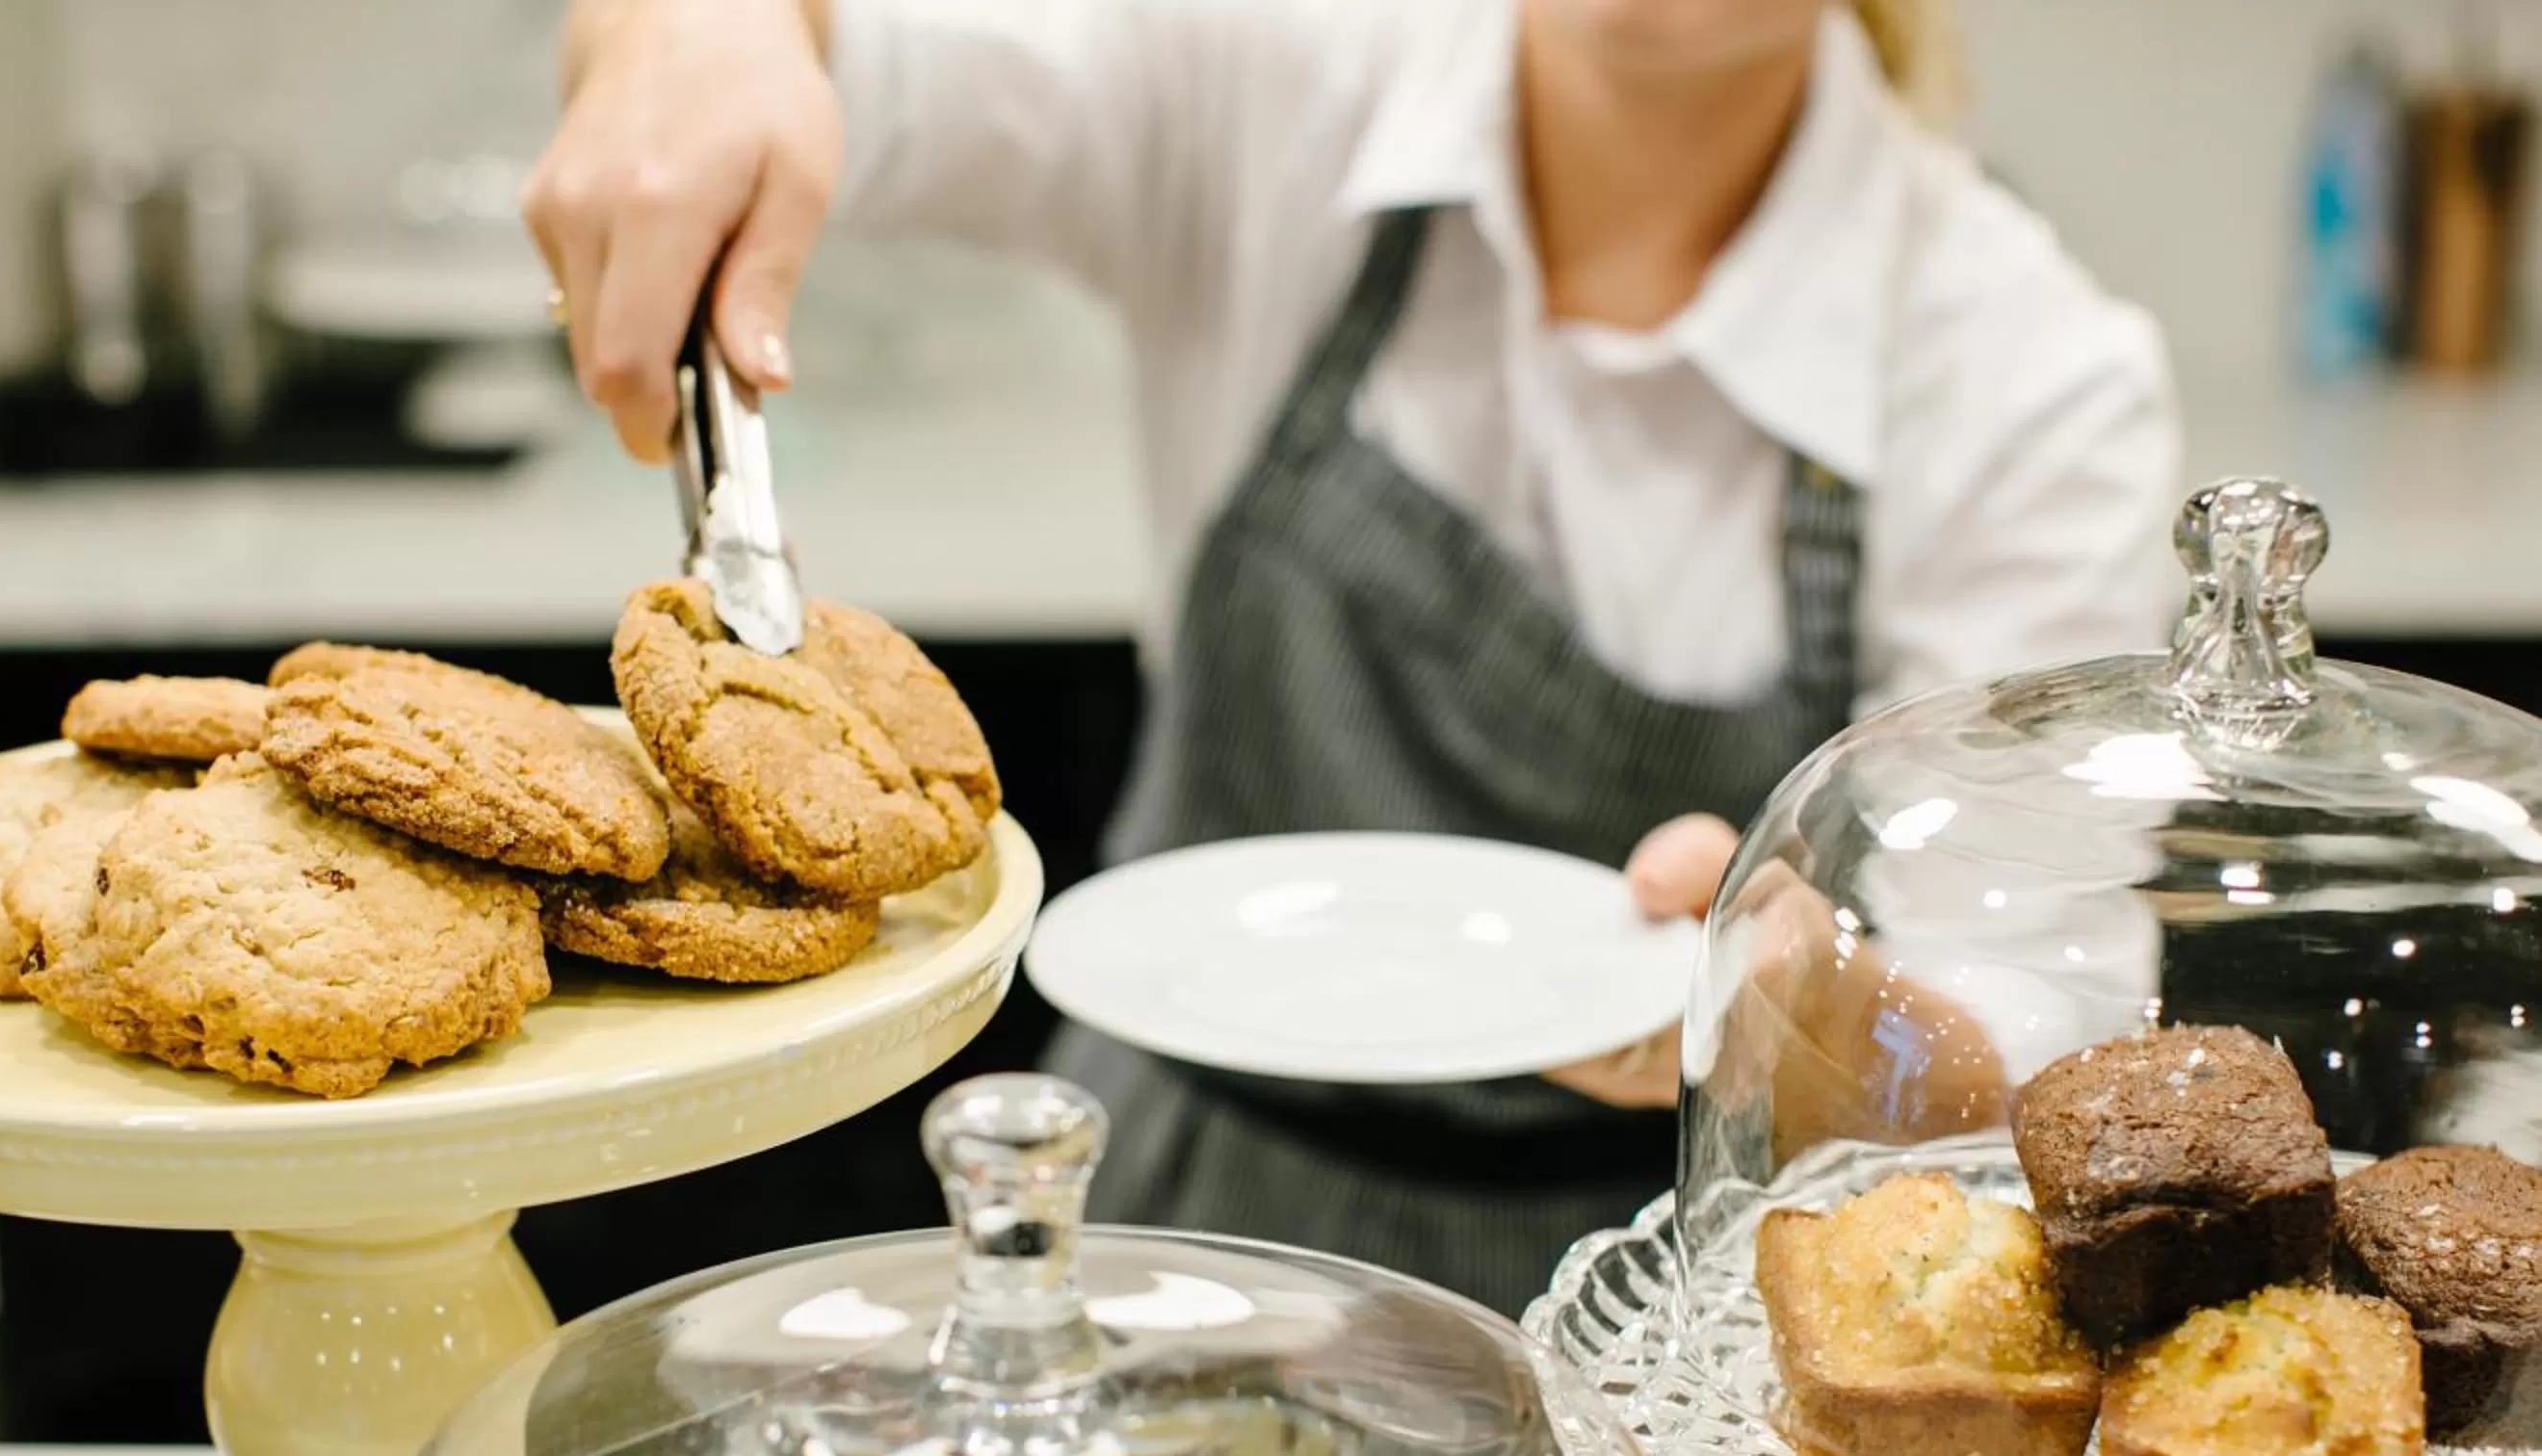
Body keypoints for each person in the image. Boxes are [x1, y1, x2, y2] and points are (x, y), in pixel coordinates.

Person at [527, 0, 2181, 1313]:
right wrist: (689, 33)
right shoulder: (1278, 70)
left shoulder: (2025, 374)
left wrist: (1810, 1017)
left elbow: (2033, 1077)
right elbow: (830, 45)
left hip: (1679, 1319)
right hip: (1168, 1234)